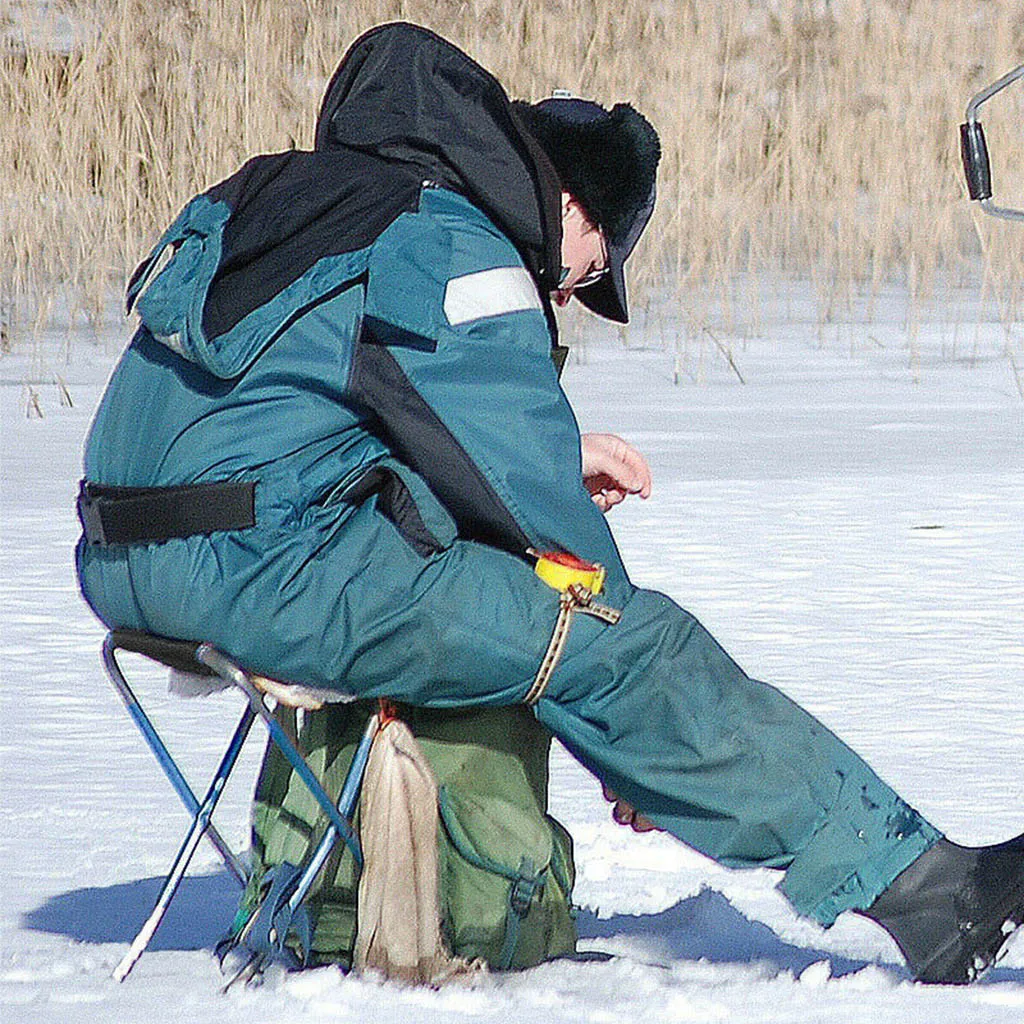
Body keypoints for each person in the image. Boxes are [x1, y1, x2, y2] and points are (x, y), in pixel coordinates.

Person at [75, 22, 1022, 984]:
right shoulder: (454, 239)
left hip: (131, 562)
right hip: (261, 573)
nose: (573, 290)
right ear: (570, 202)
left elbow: (322, 415)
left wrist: (555, 461)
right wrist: (628, 708)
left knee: (530, 604)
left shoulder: (304, 196)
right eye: (595, 261)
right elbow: (538, 524)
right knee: (625, 642)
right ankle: (929, 891)